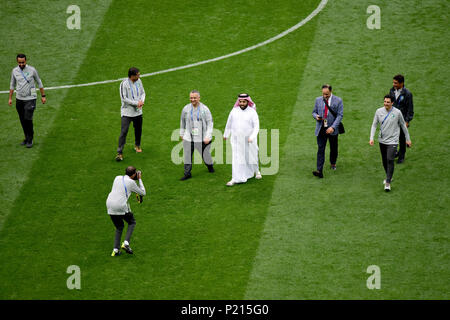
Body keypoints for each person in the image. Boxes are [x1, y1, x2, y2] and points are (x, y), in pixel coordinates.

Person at [370, 94, 412, 192]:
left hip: (393, 141)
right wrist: (371, 138)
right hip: (382, 140)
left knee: (390, 159)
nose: (386, 104)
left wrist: (408, 139)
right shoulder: (378, 111)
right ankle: (389, 175)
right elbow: (374, 125)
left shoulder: (397, 113)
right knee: (384, 160)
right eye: (385, 101)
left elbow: (403, 126)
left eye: (388, 102)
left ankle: (388, 182)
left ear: (392, 103)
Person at [106, 166, 146, 256]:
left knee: (119, 227)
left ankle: (115, 250)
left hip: (109, 204)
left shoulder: (117, 177)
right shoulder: (131, 182)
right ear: (133, 174)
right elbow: (143, 193)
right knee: (132, 222)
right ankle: (126, 243)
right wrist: (139, 179)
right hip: (120, 205)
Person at [8, 53, 46, 148]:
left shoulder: (32, 70)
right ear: (17, 62)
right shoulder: (14, 71)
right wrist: (10, 98)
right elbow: (12, 84)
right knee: (22, 120)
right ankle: (26, 137)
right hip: (19, 99)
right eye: (19, 62)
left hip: (30, 98)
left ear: (26, 61)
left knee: (28, 119)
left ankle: (30, 139)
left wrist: (43, 95)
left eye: (23, 62)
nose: (21, 64)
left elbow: (39, 82)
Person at [223, 93, 261, 186]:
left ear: (247, 102)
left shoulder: (252, 112)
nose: (242, 103)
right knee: (236, 158)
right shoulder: (234, 111)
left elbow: (256, 127)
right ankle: (235, 178)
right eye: (240, 101)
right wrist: (226, 134)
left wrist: (252, 137)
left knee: (252, 156)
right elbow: (229, 123)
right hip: (236, 139)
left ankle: (257, 171)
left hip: (249, 140)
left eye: (244, 102)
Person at [179, 90, 214, 180]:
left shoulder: (205, 109)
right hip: (189, 137)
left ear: (199, 98)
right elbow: (182, 121)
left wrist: (208, 136)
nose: (192, 99)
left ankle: (210, 166)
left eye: (194, 97)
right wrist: (182, 133)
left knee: (205, 155)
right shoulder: (186, 109)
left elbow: (210, 123)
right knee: (187, 155)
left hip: (202, 138)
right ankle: (187, 173)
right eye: (191, 97)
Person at [312, 84, 344, 178]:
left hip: (332, 129)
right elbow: (314, 112)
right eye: (323, 94)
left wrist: (333, 127)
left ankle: (333, 163)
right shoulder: (318, 100)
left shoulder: (338, 100)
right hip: (321, 128)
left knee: (333, 148)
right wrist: (316, 116)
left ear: (330, 91)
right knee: (321, 149)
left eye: (326, 94)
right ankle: (319, 170)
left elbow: (340, 115)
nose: (324, 96)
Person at [115, 67, 146, 161]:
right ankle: (119, 152)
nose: (139, 76)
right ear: (132, 76)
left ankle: (137, 145)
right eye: (138, 74)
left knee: (138, 129)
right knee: (124, 132)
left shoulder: (139, 81)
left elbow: (143, 92)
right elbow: (124, 98)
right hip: (127, 112)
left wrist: (141, 101)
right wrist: (137, 103)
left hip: (138, 111)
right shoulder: (123, 84)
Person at [389, 74, 414, 163]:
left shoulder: (407, 94)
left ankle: (401, 155)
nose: (394, 84)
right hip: (392, 119)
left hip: (402, 120)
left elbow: (410, 109)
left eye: (395, 83)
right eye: (393, 82)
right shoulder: (392, 91)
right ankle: (395, 151)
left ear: (401, 83)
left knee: (402, 138)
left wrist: (407, 121)